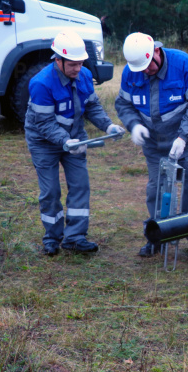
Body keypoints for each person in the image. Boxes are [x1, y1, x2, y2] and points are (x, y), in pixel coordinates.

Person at [25, 30, 126, 255]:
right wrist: (66, 141)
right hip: (43, 142)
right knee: (50, 191)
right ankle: (52, 237)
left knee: (80, 185)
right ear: (57, 60)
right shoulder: (41, 83)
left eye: (80, 63)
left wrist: (108, 126)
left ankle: (75, 237)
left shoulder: (84, 75)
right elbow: (44, 123)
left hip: (74, 137)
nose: (78, 69)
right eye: (72, 65)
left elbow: (92, 107)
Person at [115, 32, 188, 259]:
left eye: (148, 66)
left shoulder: (184, 64)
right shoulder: (131, 72)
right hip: (155, 144)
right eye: (141, 69)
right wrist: (133, 124)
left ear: (156, 51)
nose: (145, 72)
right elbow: (123, 103)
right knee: (157, 190)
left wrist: (183, 137)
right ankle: (158, 235)